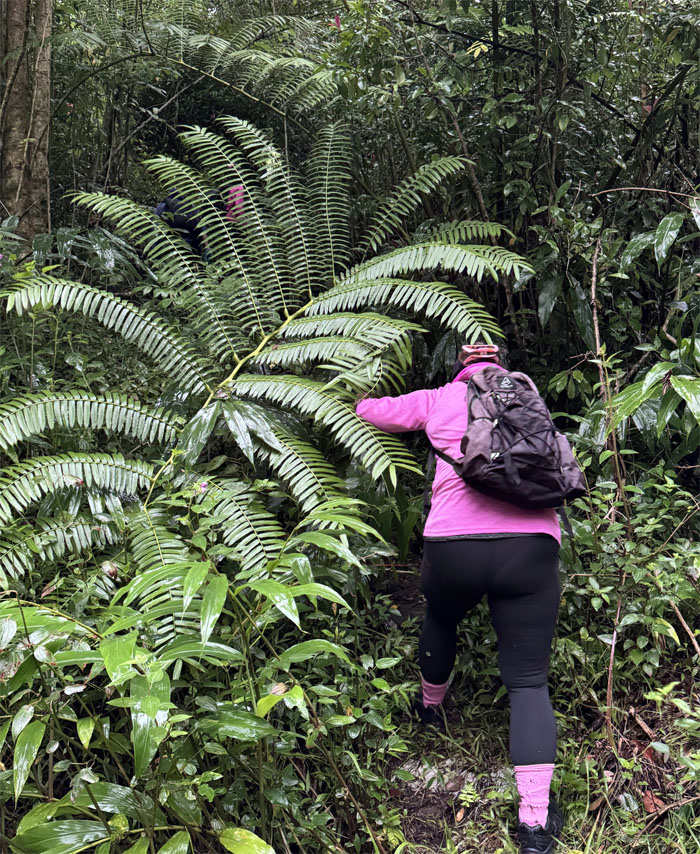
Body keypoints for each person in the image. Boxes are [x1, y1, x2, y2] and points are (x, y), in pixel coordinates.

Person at [355, 342, 564, 854]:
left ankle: (430, 711)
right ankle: (534, 826)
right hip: (533, 546)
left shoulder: (437, 398)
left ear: (459, 369)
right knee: (529, 682)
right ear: (502, 367)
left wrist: (356, 390)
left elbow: (372, 413)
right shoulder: (526, 398)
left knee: (442, 619)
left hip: (454, 545)